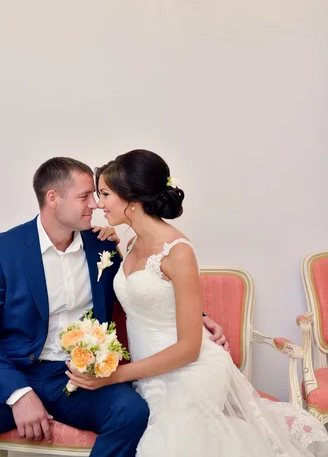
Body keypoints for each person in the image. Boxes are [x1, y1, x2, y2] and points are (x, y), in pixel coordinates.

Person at [0, 156, 227, 457]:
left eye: (98, 196)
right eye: (85, 196)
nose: (95, 204)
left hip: (79, 374)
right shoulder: (2, 250)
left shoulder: (103, 246)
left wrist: (198, 317)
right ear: (53, 199)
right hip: (15, 368)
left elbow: (144, 290)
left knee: (131, 413)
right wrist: (18, 394)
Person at [66, 149, 328, 457]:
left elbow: (189, 348)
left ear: (132, 199)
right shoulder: (131, 241)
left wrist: (118, 375)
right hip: (150, 374)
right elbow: (144, 295)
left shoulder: (178, 251)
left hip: (190, 371)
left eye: (105, 194)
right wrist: (111, 242)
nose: (98, 204)